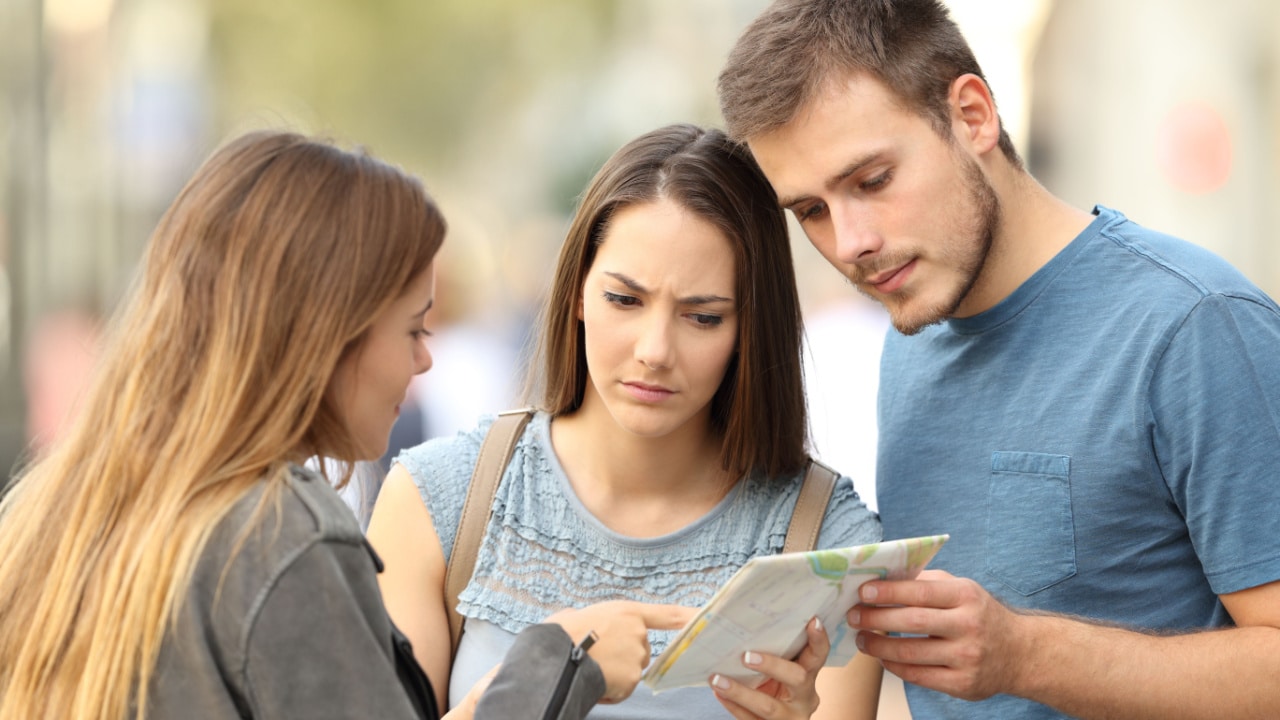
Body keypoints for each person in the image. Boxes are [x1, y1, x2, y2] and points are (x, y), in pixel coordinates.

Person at [0, 130, 692, 720]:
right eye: (413, 328)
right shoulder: (278, 538)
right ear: (327, 335)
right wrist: (563, 665)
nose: (424, 361)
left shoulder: (50, 515)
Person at [718, 1, 1280, 718]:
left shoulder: (1195, 327)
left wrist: (1026, 655)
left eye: (872, 180)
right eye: (812, 212)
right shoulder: (911, 342)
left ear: (973, 115)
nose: (849, 241)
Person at [366, 123, 884, 720]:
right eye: (624, 300)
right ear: (577, 294)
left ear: (751, 329)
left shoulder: (829, 549)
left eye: (703, 317)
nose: (654, 349)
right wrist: (549, 675)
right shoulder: (440, 499)